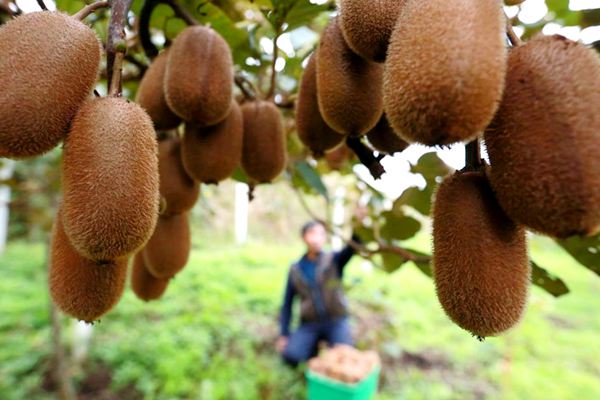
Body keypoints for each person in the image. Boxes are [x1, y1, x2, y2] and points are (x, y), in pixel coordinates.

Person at [276, 219, 362, 366]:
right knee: (291, 356)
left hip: (336, 320)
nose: (316, 239)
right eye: (312, 233)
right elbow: (287, 303)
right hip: (310, 323)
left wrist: (359, 224)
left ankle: (327, 345)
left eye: (321, 234)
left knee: (344, 357)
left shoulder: (334, 260)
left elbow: (352, 248)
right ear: (303, 237)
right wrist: (284, 334)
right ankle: (312, 349)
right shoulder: (295, 269)